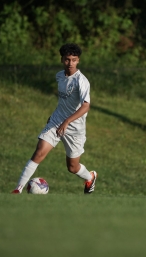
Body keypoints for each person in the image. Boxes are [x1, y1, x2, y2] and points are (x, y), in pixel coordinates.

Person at [11, 43, 97, 194]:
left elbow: (86, 106)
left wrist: (67, 121)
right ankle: (18, 189)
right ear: (62, 59)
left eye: (74, 60)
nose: (70, 63)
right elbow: (64, 100)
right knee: (39, 152)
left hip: (75, 129)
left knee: (72, 167)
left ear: (78, 61)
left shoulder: (81, 81)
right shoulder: (59, 76)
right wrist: (56, 116)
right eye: (67, 59)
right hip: (57, 121)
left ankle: (90, 177)